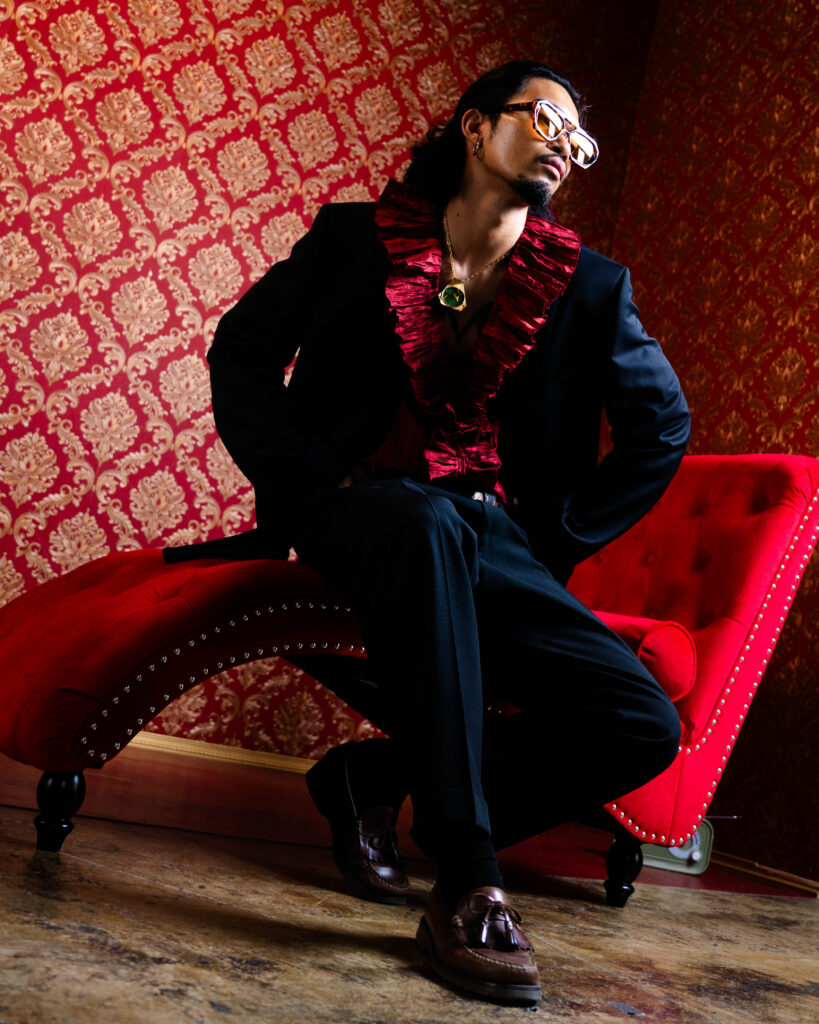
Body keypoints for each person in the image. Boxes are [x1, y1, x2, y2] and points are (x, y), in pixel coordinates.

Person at [176, 61, 690, 1005]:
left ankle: (371, 776)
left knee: (641, 724)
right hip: (356, 509)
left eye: (576, 136)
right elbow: (241, 349)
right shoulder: (351, 238)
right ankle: (466, 878)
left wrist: (556, 535)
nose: (563, 144)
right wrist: (301, 474)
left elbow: (662, 426)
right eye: (543, 119)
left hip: (492, 536)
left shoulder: (588, 287)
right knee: (418, 519)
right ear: (473, 126)